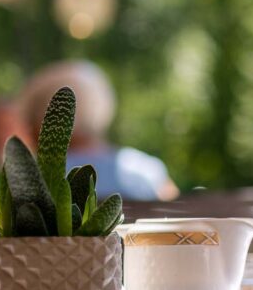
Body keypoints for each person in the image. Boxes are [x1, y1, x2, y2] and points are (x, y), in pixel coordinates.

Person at [18, 60, 178, 201]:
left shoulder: (32, 180)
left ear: (47, 122)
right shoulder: (145, 170)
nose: (28, 131)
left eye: (30, 121)